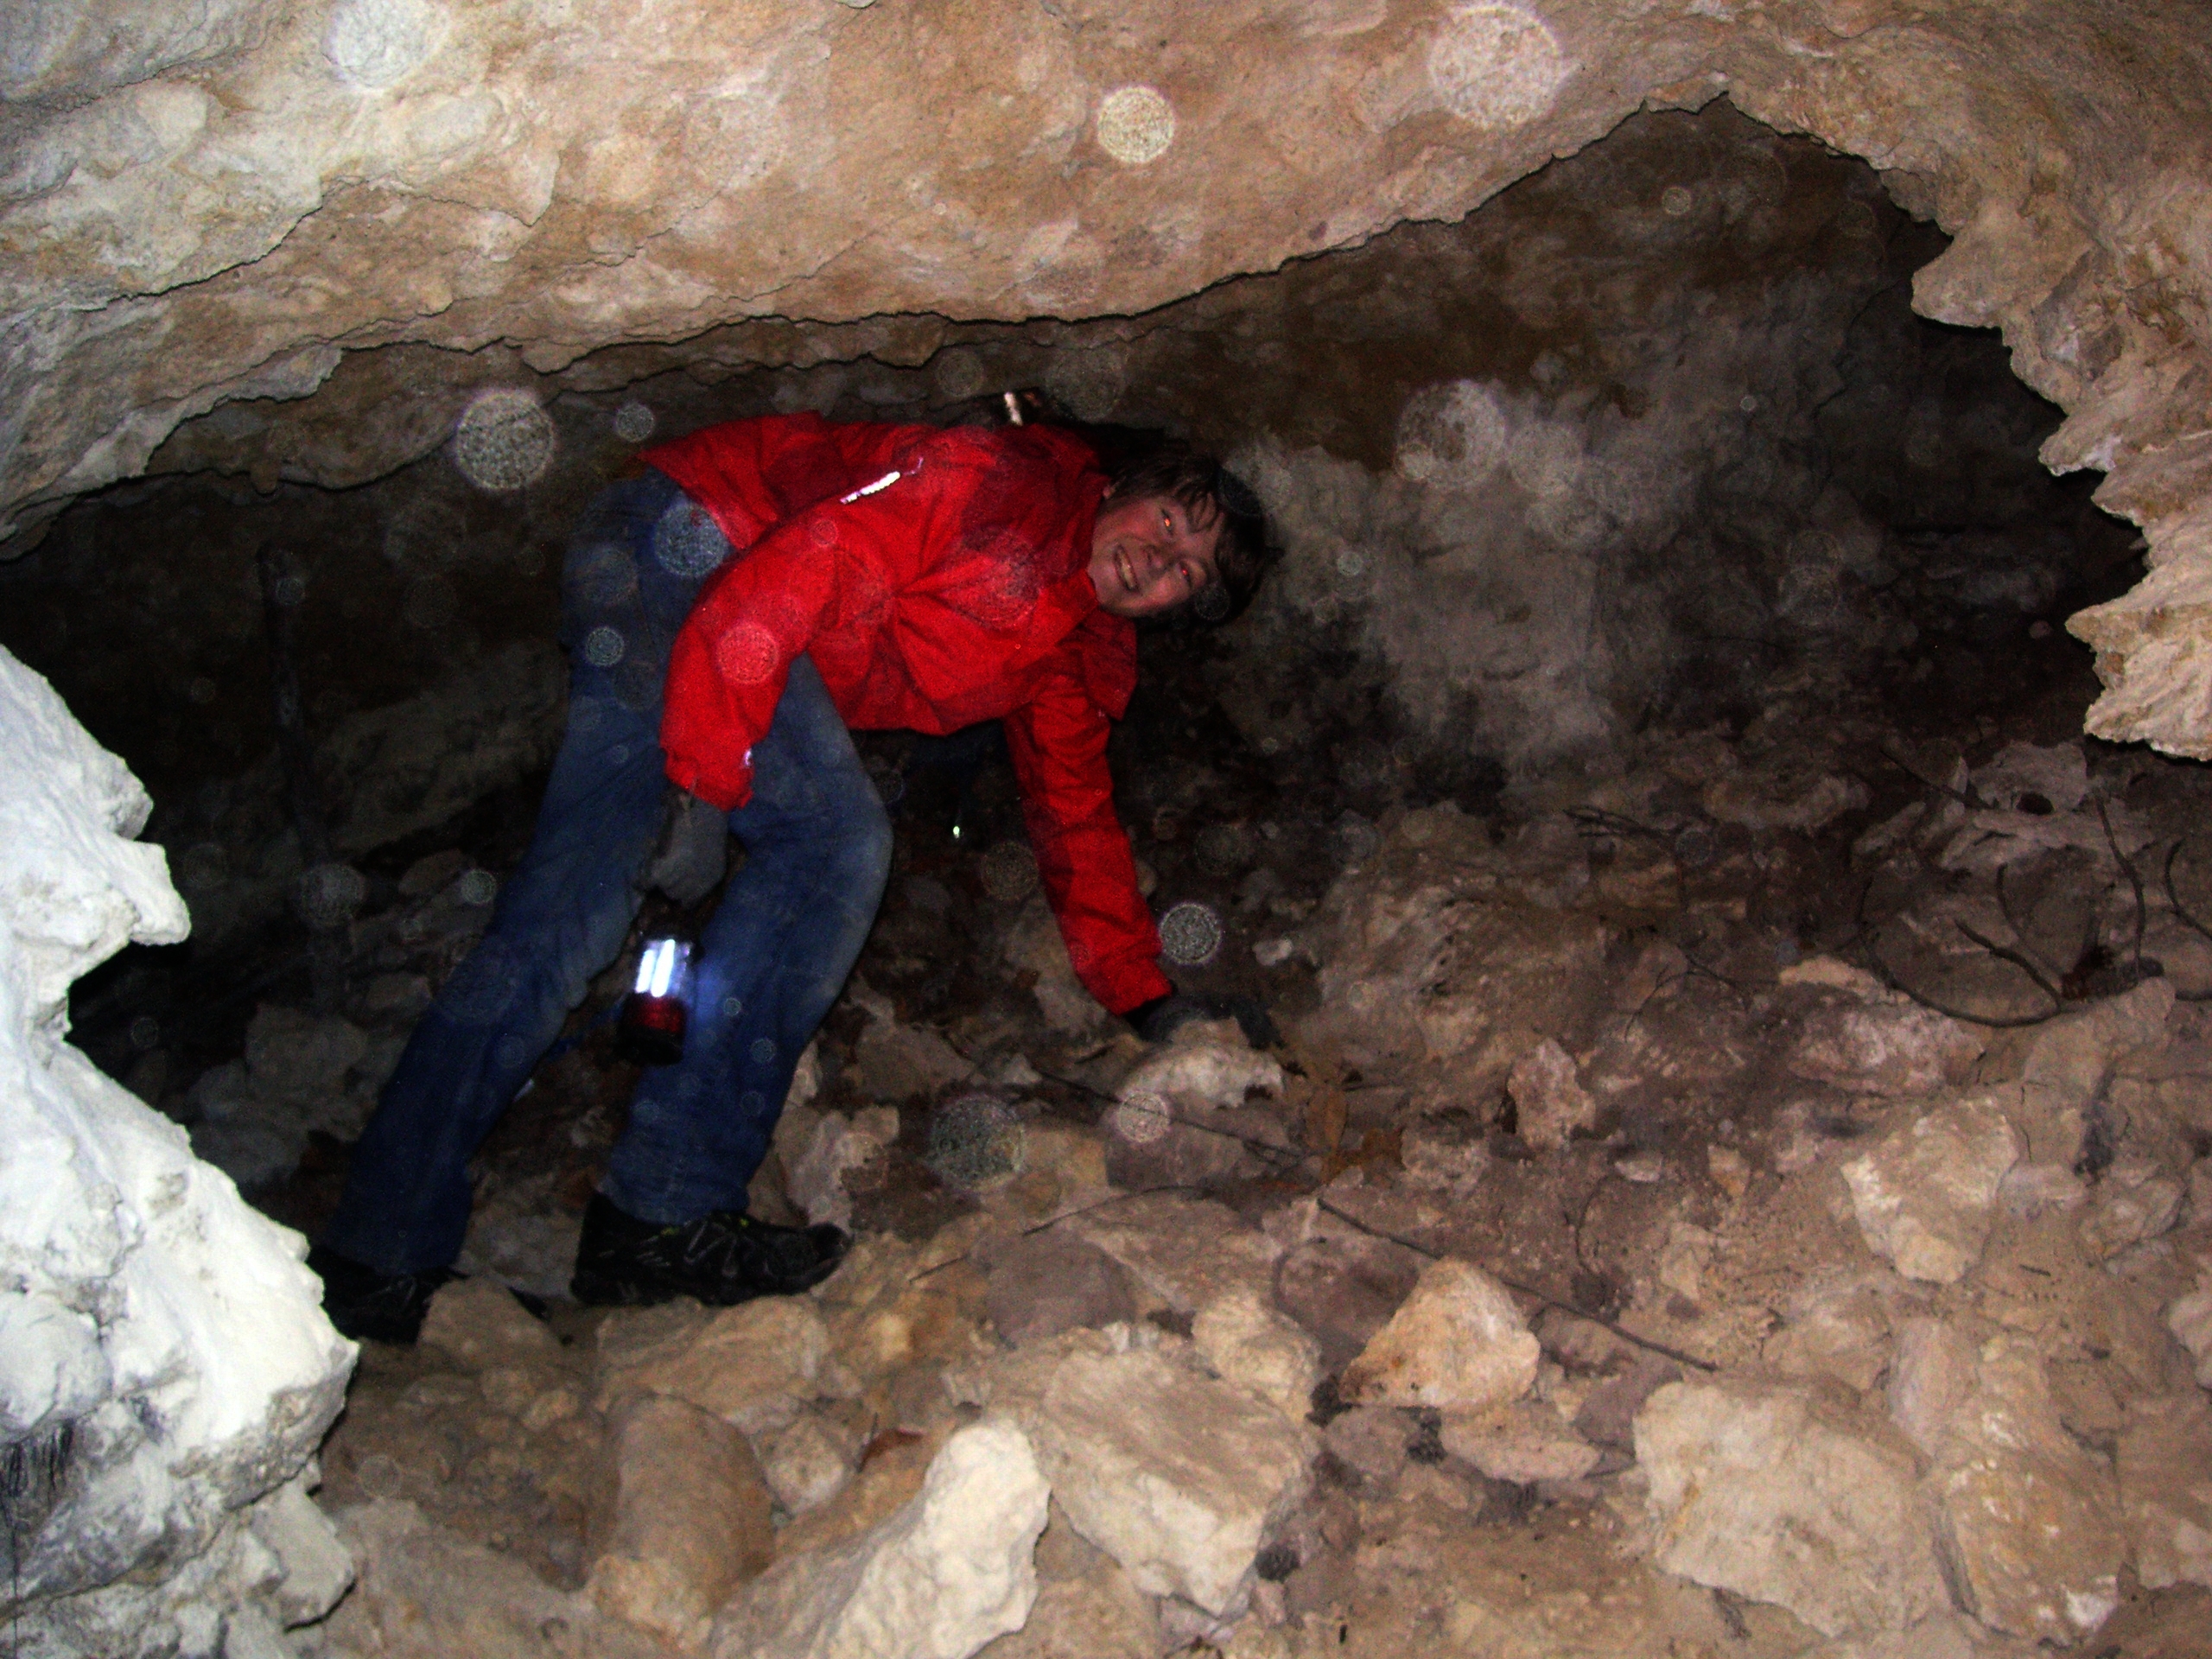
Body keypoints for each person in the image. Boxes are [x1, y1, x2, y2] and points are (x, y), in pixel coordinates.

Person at [308, 406, 1273, 1342]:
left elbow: (1074, 816)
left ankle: (379, 1254)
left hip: (707, 583)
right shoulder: (1004, 488)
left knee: (571, 908)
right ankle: (664, 1211)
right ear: (1120, 489)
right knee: (829, 847)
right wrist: (703, 779)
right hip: (690, 541)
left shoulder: (1075, 645)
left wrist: (1146, 997)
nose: (1160, 558)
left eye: (1186, 571)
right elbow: (801, 565)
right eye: (1167, 520)